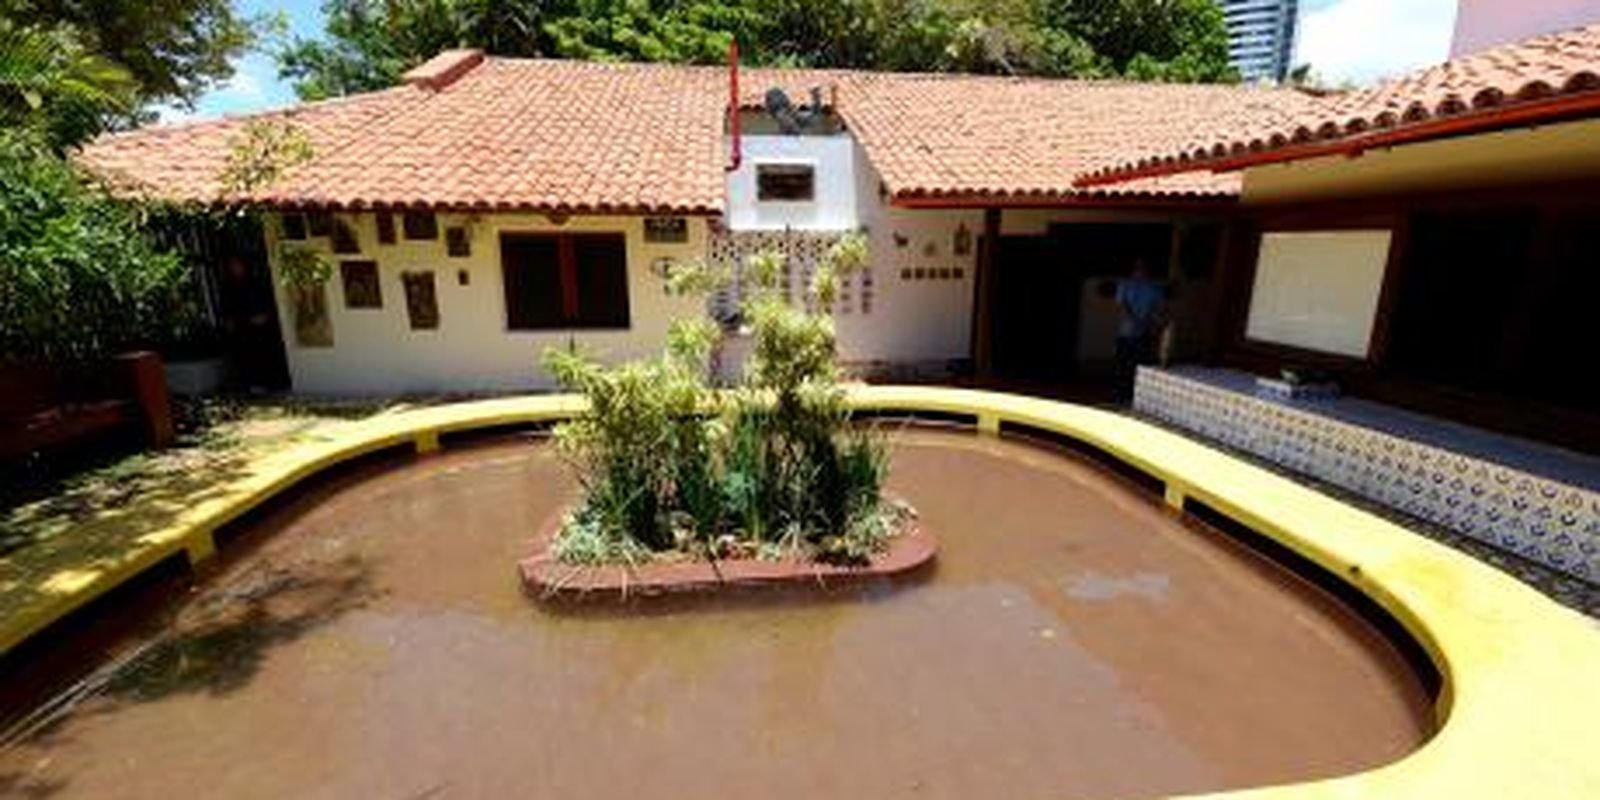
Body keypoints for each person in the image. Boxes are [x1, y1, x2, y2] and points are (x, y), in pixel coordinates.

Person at [1113, 258, 1168, 402]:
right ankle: (1124, 395)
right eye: (1139, 267)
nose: (1140, 270)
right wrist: (1141, 320)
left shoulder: (1152, 287)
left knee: (1134, 366)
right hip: (1132, 332)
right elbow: (1123, 306)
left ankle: (1130, 396)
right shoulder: (1126, 284)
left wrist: (1147, 321)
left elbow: (1157, 310)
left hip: (1139, 332)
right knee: (1127, 366)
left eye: (1142, 267)